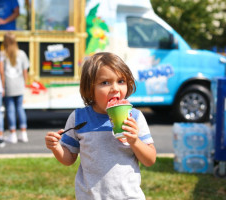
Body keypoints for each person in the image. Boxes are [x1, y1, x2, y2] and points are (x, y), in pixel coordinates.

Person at [45, 52, 156, 199]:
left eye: (121, 81)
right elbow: (69, 159)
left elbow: (150, 160)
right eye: (105, 82)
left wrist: (135, 141)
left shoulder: (134, 117)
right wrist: (56, 147)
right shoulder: (79, 118)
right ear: (90, 89)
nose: (115, 88)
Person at [1, 32, 29, 143]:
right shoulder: (21, 54)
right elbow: (24, 71)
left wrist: (2, 86)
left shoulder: (2, 54)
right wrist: (25, 83)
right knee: (20, 108)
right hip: (19, 85)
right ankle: (23, 133)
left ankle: (12, 134)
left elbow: (2, 73)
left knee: (10, 110)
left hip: (8, 86)